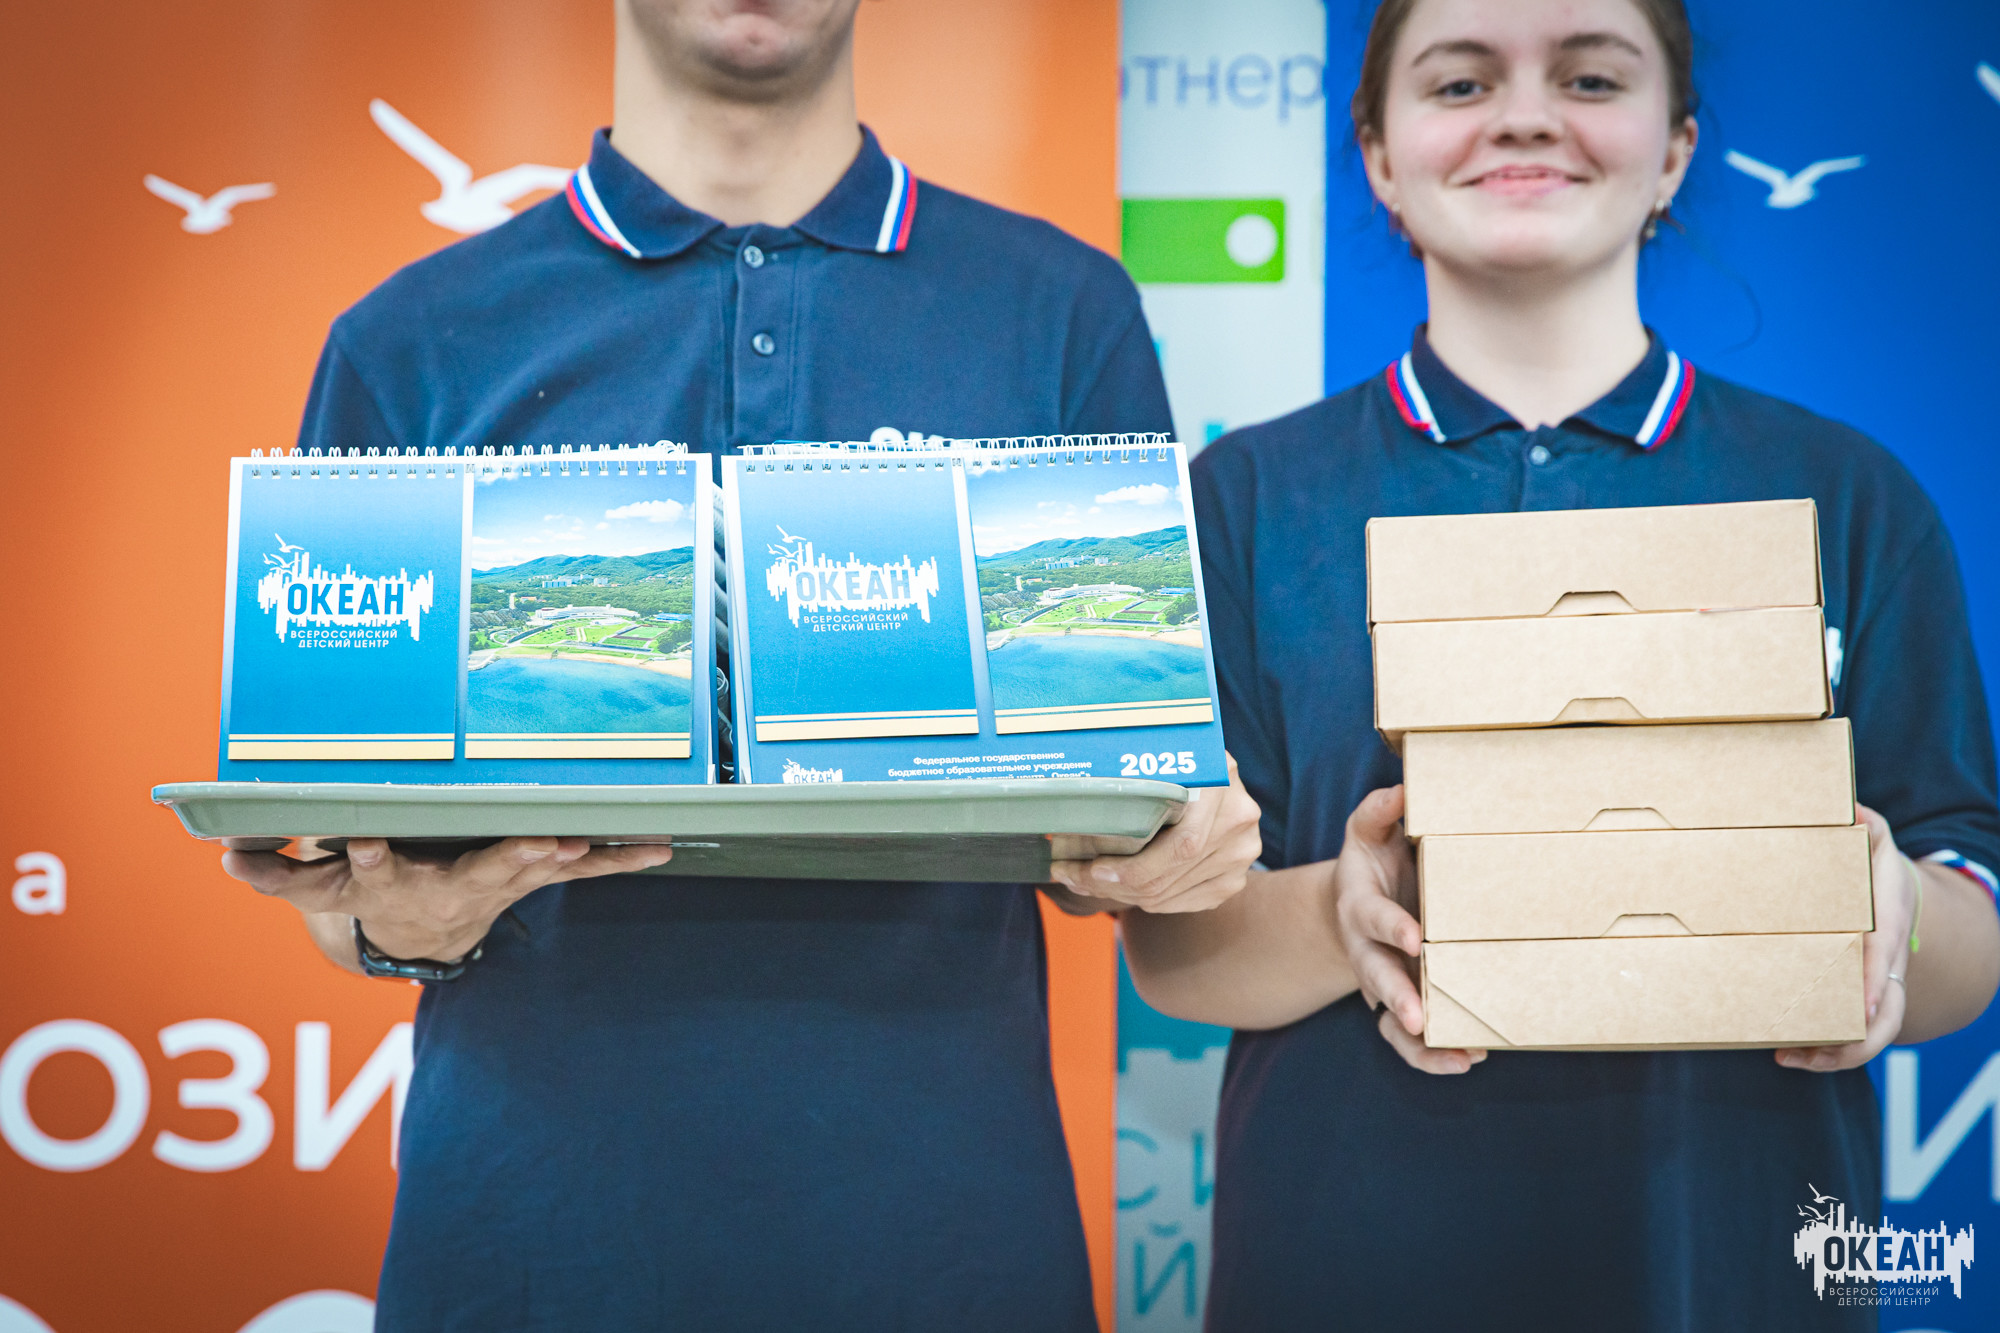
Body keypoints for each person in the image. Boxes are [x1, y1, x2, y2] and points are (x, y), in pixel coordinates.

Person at [220, 2, 1260, 1327]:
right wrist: (395, 928)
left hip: (942, 1240)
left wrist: (1171, 842)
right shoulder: (411, 337)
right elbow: (343, 862)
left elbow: (1144, 794)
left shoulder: (1060, 310)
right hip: (529, 1246)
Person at [1109, 0, 2000, 1327]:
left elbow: (1967, 915)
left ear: (1677, 147)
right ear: (1378, 155)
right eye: (1461, 83)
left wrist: (1892, 917)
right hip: (1346, 1265)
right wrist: (1341, 913)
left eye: (1589, 77)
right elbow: (1174, 949)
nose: (1525, 116)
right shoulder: (1238, 504)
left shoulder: (1847, 496)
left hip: (1735, 1267)